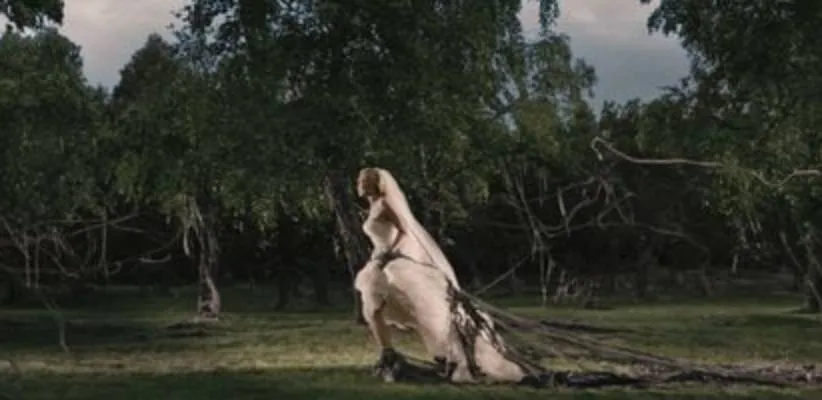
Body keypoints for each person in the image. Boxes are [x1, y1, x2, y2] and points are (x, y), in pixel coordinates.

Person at [353, 167, 549, 385]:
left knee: (406, 306)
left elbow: (405, 230)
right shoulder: (373, 207)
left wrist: (389, 252)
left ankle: (439, 352)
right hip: (379, 260)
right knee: (372, 304)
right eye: (360, 181)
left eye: (363, 181)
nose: (359, 184)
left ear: (375, 183)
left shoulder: (385, 204)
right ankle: (388, 353)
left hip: (389, 260)